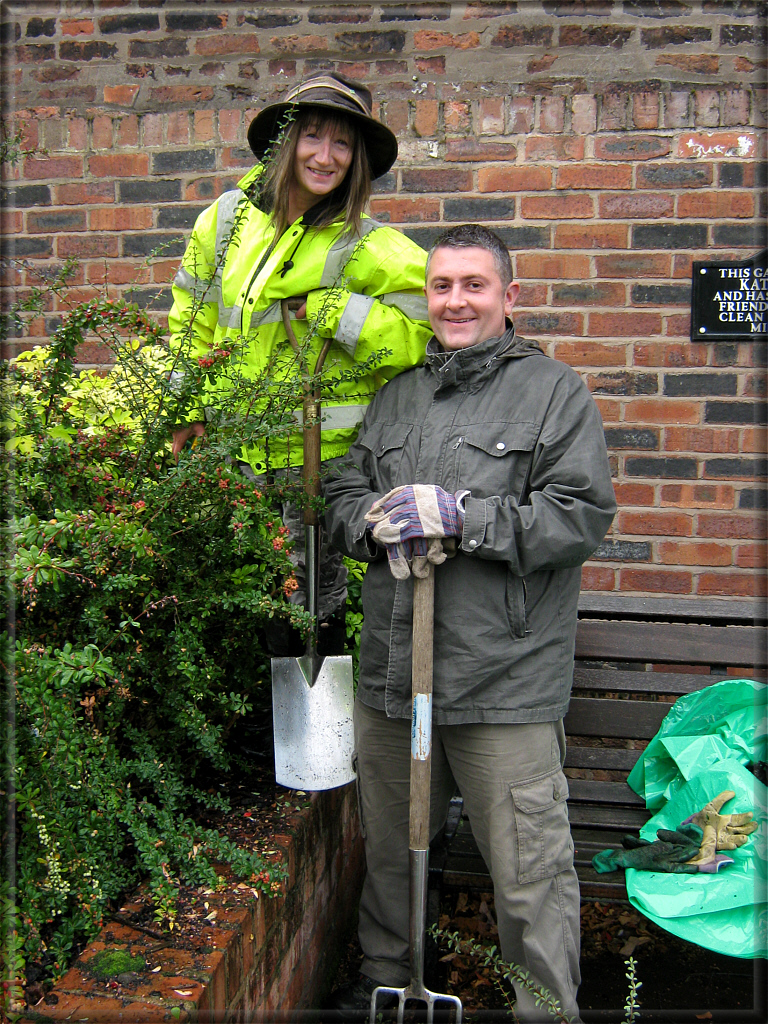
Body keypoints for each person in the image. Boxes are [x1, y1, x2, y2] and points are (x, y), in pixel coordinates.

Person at [322, 224, 616, 1021]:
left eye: (474, 285)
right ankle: (386, 982)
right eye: (442, 285)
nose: (455, 301)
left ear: (508, 297)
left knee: (529, 870)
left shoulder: (555, 393)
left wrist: (465, 517)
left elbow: (580, 517)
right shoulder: (397, 395)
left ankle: (546, 1011)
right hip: (395, 670)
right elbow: (342, 492)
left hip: (503, 679)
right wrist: (365, 522)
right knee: (390, 851)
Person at [167, 73, 432, 645]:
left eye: (342, 144)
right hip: (234, 454)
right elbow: (192, 321)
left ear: (357, 159)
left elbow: (427, 336)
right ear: (287, 141)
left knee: (313, 608)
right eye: (313, 136)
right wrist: (182, 409)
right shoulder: (226, 221)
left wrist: (338, 310)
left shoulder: (369, 244)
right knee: (240, 605)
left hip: (319, 466)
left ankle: (314, 724)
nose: (325, 156)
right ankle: (256, 730)